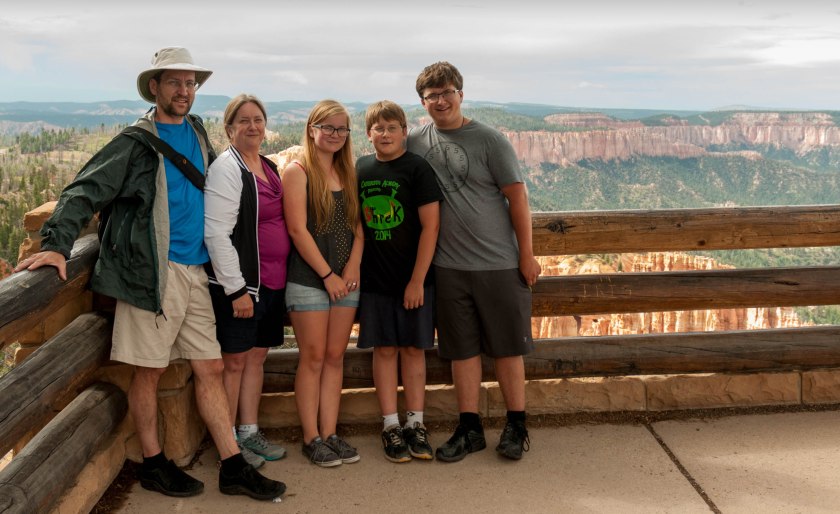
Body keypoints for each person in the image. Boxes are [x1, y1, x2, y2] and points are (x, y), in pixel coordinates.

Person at [14, 47, 285, 500]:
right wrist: (57, 245)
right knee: (149, 372)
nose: (184, 91)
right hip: (153, 275)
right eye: (174, 82)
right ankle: (155, 462)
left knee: (211, 367)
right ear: (155, 88)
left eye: (190, 83)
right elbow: (83, 190)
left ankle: (232, 464)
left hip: (197, 269)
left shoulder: (198, 132)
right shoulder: (133, 144)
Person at [406, 61, 542, 462]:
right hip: (448, 268)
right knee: (461, 351)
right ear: (423, 102)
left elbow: (517, 197)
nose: (441, 101)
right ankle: (470, 429)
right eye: (432, 96)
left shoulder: (490, 140)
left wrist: (526, 255)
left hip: (498, 263)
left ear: (461, 95)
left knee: (506, 349)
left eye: (447, 92)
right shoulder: (416, 142)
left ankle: (516, 425)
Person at [204, 94, 289, 469]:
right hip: (243, 287)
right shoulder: (228, 169)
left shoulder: (266, 166)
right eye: (244, 121)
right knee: (234, 363)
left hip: (272, 283)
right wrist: (236, 289)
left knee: (256, 358)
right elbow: (217, 234)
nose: (253, 126)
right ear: (229, 128)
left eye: (258, 119)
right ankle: (229, 446)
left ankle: (248, 430)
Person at [356, 100, 442, 463]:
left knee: (413, 349)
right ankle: (390, 424)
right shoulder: (360, 168)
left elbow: (430, 226)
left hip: (414, 279)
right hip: (375, 279)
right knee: (385, 350)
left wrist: (417, 281)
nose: (386, 134)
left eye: (393, 127)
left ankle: (415, 423)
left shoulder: (417, 168)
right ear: (369, 133)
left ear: (405, 131)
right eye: (379, 128)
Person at [282, 99, 364, 467]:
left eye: (341, 128)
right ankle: (311, 437)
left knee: (335, 357)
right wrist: (328, 275)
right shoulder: (297, 171)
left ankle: (331, 433)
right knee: (313, 358)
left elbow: (358, 229)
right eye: (327, 127)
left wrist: (350, 271)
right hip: (309, 279)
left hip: (346, 281)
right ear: (312, 129)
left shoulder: (349, 173)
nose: (334, 134)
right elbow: (298, 231)